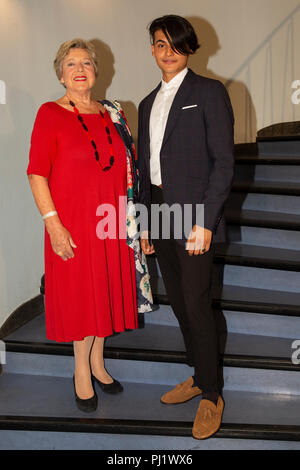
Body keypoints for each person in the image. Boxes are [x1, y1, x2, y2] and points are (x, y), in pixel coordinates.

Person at [27, 38, 152, 413]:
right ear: (61, 74)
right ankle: (81, 369)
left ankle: (98, 362)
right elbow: (37, 173)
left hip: (113, 223)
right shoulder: (49, 113)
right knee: (84, 299)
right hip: (74, 225)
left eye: (86, 63)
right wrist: (53, 224)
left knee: (105, 295)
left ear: (97, 71)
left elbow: (132, 173)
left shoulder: (114, 112)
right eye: (70, 64)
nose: (79, 69)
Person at [138, 15, 234, 439]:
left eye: (175, 44)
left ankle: (212, 393)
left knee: (197, 303)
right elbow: (144, 171)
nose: (167, 51)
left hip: (195, 215)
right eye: (160, 44)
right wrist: (144, 223)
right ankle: (198, 374)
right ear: (153, 49)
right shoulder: (145, 104)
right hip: (159, 210)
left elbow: (224, 163)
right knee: (177, 300)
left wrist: (206, 221)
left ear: (189, 48)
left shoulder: (209, 92)